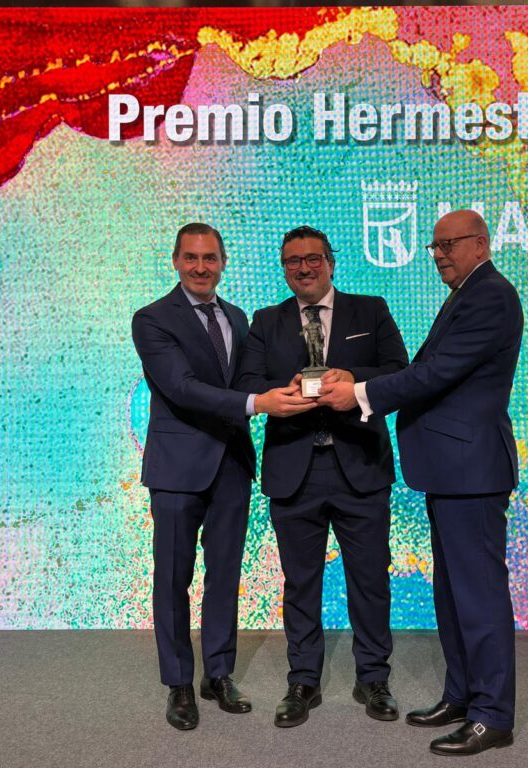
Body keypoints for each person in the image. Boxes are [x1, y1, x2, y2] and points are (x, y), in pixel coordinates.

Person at [319, 210, 523, 756]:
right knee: (454, 595)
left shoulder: (491, 295)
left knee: (478, 596)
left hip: (472, 471)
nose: (439, 255)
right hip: (451, 470)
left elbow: (436, 373)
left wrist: (359, 394)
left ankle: (492, 715)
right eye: (435, 247)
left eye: (449, 245)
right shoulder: (467, 292)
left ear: (481, 245)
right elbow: (426, 370)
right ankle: (462, 696)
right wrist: (358, 380)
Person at [132, 222, 316, 731]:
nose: (200, 267)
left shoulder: (236, 317)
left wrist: (290, 388)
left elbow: (247, 381)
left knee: (225, 576)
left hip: (231, 465)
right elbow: (182, 387)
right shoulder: (152, 319)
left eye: (209, 258)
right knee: (173, 578)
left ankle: (218, 674)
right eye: (191, 257)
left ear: (223, 262)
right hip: (177, 469)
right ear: (175, 261)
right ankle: (178, 684)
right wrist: (258, 403)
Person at [235, 225, 409, 727]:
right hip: (295, 471)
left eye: (313, 258)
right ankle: (303, 680)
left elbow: (399, 371)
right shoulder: (265, 321)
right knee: (300, 583)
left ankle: (373, 677)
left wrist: (354, 380)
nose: (304, 268)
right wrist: (282, 391)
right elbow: (247, 383)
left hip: (360, 468)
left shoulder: (370, 310)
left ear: (331, 263)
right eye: (293, 261)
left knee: (370, 580)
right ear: (284, 268)